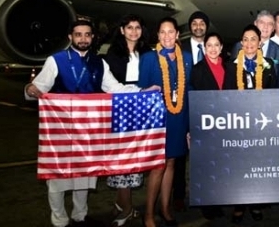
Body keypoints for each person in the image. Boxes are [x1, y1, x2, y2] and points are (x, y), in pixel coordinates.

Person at [25, 20, 158, 227]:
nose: (83, 39)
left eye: (87, 35)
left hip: (87, 130)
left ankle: (80, 216)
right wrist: (29, 90)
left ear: (93, 37)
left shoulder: (99, 62)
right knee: (57, 176)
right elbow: (37, 88)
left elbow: (115, 88)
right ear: (70, 37)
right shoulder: (56, 60)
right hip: (60, 129)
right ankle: (59, 220)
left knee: (84, 173)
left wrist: (142, 92)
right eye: (78, 35)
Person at [138, 17, 193, 227]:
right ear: (158, 35)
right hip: (158, 120)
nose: (167, 36)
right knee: (158, 167)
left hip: (179, 119)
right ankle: (149, 214)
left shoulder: (186, 58)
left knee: (171, 163)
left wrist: (189, 126)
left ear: (178, 35)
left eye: (171, 32)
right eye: (163, 32)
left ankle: (165, 208)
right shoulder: (149, 59)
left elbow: (189, 93)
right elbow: (142, 91)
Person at [225, 24, 279, 223]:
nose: (249, 43)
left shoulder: (268, 64)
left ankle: (257, 203)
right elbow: (226, 95)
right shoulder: (231, 66)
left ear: (260, 43)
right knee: (240, 164)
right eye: (246, 39)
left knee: (259, 163)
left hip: (261, 123)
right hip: (239, 123)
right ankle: (239, 204)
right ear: (242, 43)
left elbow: (273, 93)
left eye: (253, 39)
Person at [101, 14, 151, 226]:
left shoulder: (148, 54)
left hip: (141, 111)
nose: (133, 31)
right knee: (121, 160)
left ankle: (123, 205)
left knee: (134, 160)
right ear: (122, 30)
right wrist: (136, 91)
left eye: (137, 27)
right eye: (129, 27)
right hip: (120, 110)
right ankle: (126, 207)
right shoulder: (112, 55)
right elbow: (107, 84)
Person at [189, 32, 230, 221]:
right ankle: (207, 204)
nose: (213, 49)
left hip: (226, 123)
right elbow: (194, 99)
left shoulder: (230, 68)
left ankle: (219, 199)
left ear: (221, 47)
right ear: (205, 48)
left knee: (222, 165)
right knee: (206, 166)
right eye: (209, 45)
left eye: (216, 45)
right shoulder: (198, 69)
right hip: (205, 124)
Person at [172, 10, 209, 213]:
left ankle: (206, 195)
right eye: (194, 23)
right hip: (183, 107)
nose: (198, 26)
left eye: (202, 23)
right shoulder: (180, 49)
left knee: (206, 154)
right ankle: (178, 195)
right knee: (179, 156)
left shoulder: (214, 48)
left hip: (207, 110)